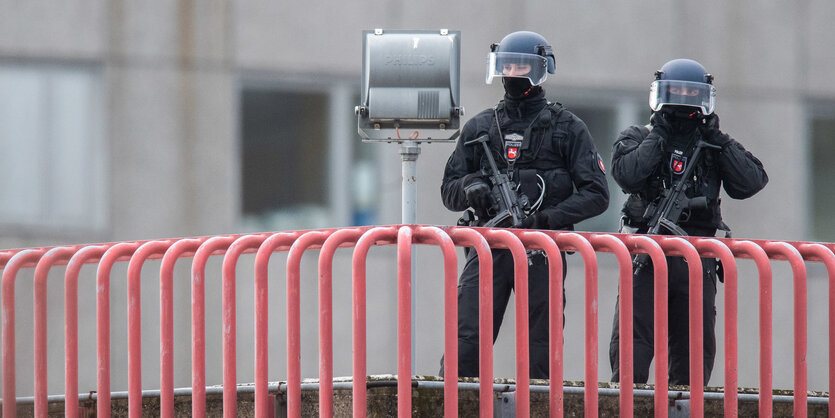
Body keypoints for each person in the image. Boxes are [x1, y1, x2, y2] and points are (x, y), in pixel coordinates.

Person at [439, 30, 609, 379]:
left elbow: (597, 193)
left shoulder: (567, 127)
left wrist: (547, 219)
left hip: (542, 248)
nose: (513, 73)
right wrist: (471, 186)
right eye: (508, 65)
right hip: (489, 247)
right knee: (466, 338)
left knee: (541, 346)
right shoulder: (481, 127)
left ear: (541, 69)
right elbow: (448, 190)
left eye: (522, 66)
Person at [607, 58, 768, 385]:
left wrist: (718, 139)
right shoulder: (639, 135)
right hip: (645, 256)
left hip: (697, 261)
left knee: (694, 354)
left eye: (690, 93)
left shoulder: (712, 146)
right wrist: (660, 135)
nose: (682, 99)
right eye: (674, 92)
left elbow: (752, 182)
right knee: (632, 348)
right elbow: (628, 175)